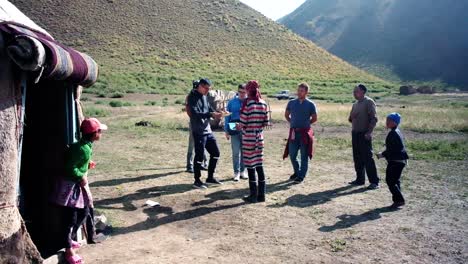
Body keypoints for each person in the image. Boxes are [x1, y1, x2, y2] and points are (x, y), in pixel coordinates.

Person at [53, 118, 107, 264]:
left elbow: (76, 162)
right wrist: (80, 175)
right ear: (95, 133)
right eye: (100, 131)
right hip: (70, 187)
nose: (101, 133)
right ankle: (68, 250)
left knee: (84, 212)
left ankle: (68, 239)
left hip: (75, 185)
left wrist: (86, 164)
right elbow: (70, 168)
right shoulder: (81, 148)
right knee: (71, 218)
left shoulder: (85, 146)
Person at [187, 78, 223, 188]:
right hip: (198, 130)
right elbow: (195, 113)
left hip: (207, 130)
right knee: (199, 155)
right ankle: (197, 180)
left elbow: (209, 108)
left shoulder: (204, 96)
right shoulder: (192, 97)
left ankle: (210, 178)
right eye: (206, 88)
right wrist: (210, 114)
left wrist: (218, 112)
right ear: (200, 86)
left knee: (215, 153)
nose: (207, 91)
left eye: (209, 89)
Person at [237, 80, 270, 203]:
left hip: (249, 139)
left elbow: (243, 123)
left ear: (249, 90)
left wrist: (237, 126)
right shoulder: (263, 103)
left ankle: (253, 195)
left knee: (250, 167)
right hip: (259, 139)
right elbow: (265, 123)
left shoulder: (248, 104)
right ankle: (262, 195)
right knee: (259, 166)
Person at [283, 83, 318, 183]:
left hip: (305, 133)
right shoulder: (291, 103)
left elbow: (314, 118)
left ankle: (301, 176)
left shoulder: (310, 104)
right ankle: (297, 172)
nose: (299, 92)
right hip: (294, 132)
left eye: (301, 91)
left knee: (304, 155)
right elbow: (286, 115)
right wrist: (292, 123)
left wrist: (306, 124)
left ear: (306, 92)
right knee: (292, 154)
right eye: (298, 90)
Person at [348, 84, 380, 189]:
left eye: (356, 91)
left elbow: (374, 119)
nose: (354, 93)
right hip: (355, 133)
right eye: (354, 91)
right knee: (357, 157)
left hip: (364, 134)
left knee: (367, 158)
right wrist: (351, 117)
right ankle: (360, 180)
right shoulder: (355, 104)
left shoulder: (369, 102)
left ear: (363, 92)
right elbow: (350, 119)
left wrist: (369, 132)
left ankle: (374, 182)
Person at [377, 113, 409, 208]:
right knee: (395, 180)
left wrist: (382, 154)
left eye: (389, 121)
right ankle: (397, 201)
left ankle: (399, 200)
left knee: (390, 181)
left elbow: (392, 149)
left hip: (396, 161)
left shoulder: (393, 133)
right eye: (387, 120)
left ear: (395, 122)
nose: (387, 122)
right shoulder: (396, 131)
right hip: (400, 160)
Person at [224, 84, 248, 181]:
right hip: (233, 127)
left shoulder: (249, 102)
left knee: (245, 151)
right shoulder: (232, 102)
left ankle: (243, 171)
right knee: (235, 151)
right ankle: (236, 172)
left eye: (244, 92)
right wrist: (226, 130)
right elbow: (227, 117)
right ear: (237, 91)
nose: (242, 94)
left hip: (246, 128)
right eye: (240, 92)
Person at [186, 80, 207, 173]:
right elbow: (190, 111)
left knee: (201, 143)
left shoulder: (202, 96)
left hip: (202, 123)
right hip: (194, 123)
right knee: (192, 144)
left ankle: (201, 163)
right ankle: (189, 165)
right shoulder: (191, 97)